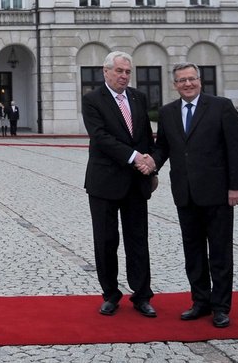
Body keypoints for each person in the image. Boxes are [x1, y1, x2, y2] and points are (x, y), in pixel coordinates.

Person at [148, 63, 238, 329]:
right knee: (193, 253)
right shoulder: (168, 112)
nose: (187, 84)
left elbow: (236, 148)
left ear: (200, 81)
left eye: (191, 79)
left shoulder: (221, 106)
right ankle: (200, 301)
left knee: (219, 252)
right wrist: (150, 165)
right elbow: (163, 149)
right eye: (182, 80)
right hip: (186, 193)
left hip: (217, 193)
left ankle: (221, 307)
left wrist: (236, 186)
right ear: (175, 84)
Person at [81, 51, 157, 318]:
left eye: (127, 72)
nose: (124, 76)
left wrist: (151, 166)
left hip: (137, 182)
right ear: (106, 71)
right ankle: (111, 294)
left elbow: (146, 135)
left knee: (138, 240)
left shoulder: (138, 97)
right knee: (106, 240)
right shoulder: (92, 100)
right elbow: (100, 138)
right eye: (119, 71)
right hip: (104, 182)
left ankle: (142, 295)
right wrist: (135, 157)